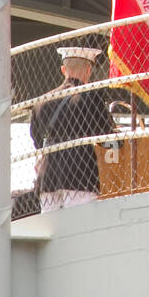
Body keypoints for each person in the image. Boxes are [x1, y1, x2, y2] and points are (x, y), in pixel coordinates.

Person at [30, 47, 118, 211]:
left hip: (48, 176)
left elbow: (36, 141)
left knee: (53, 230)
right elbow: (106, 136)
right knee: (81, 224)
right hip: (80, 173)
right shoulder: (91, 96)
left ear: (63, 70)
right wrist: (118, 143)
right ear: (89, 70)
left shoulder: (41, 102)